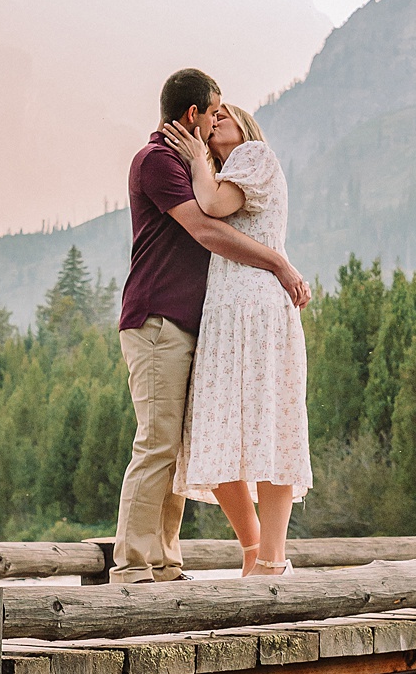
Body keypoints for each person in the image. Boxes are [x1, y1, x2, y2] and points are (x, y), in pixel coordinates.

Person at [111, 68, 311, 586]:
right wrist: (279, 263)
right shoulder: (157, 161)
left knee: (175, 444)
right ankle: (132, 567)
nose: (219, 118)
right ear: (193, 115)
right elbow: (205, 226)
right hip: (158, 319)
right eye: (214, 110)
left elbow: (223, 203)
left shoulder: (200, 163)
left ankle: (166, 562)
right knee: (157, 442)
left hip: (192, 322)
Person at [164, 103, 312, 575]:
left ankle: (272, 558)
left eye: (226, 112)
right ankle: (254, 554)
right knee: (214, 430)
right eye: (213, 115)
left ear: (245, 123)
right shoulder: (223, 171)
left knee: (270, 428)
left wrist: (196, 159)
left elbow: (213, 208)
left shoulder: (255, 155)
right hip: (225, 313)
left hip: (259, 309)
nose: (217, 119)